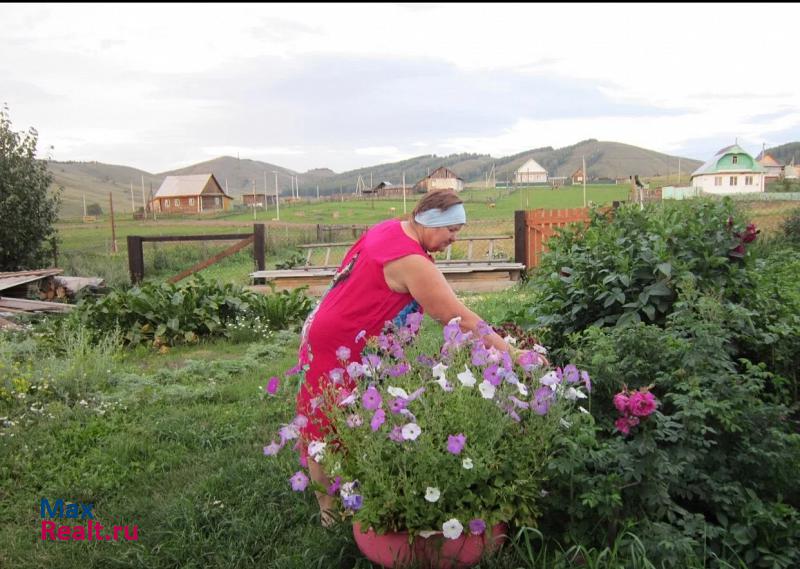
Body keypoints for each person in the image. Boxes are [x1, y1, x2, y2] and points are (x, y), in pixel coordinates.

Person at [294, 189, 522, 525]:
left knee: (337, 417)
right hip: (343, 345)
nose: (453, 239)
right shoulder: (412, 262)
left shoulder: (391, 228)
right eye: (452, 230)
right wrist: (515, 353)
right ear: (431, 221)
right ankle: (331, 517)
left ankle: (349, 498)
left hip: (326, 328)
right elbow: (460, 319)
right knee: (326, 426)